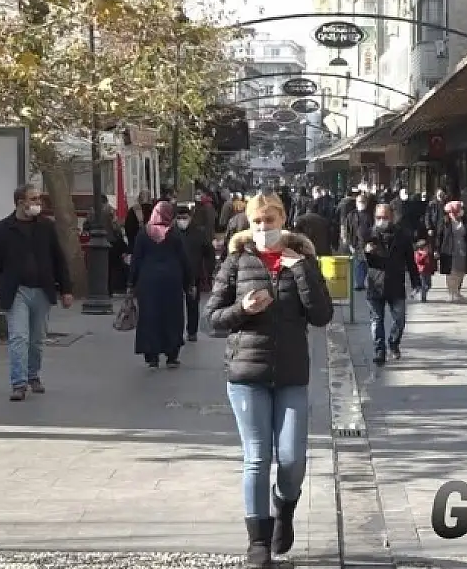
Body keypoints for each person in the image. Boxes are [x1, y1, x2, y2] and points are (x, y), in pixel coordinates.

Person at [204, 192, 334, 569]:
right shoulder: (236, 261)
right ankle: (257, 541)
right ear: (249, 222)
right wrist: (241, 311)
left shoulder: (303, 259)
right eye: (257, 221)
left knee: (292, 460)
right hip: (247, 374)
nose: (264, 228)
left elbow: (322, 316)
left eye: (270, 220)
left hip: (292, 374)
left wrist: (302, 271)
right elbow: (212, 319)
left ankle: (285, 507)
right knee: (257, 458)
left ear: (283, 219)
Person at [0, 184, 73, 401]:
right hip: (16, 291)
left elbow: (58, 259)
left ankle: (33, 375)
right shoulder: (3, 229)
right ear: (20, 202)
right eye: (33, 199)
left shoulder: (46, 226)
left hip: (42, 289)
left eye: (39, 199)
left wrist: (66, 289)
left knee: (36, 339)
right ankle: (19, 383)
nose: (38, 203)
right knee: (18, 337)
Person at [128, 201, 192, 368]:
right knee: (172, 316)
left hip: (148, 281)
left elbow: (136, 259)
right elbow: (185, 260)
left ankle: (152, 355)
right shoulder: (175, 234)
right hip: (172, 281)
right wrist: (189, 283)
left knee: (150, 316)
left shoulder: (144, 233)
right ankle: (171, 355)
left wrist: (131, 282)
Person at [361, 203, 421, 365]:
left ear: (392, 217)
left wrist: (416, 282)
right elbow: (361, 258)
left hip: (396, 283)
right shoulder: (369, 234)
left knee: (400, 320)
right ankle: (379, 350)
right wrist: (366, 252)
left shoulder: (402, 236)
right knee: (377, 319)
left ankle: (393, 343)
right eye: (378, 218)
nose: (382, 221)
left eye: (385, 217)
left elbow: (410, 261)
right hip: (375, 284)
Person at [174, 204, 215, 342]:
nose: (182, 221)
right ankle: (177, 331)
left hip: (193, 274)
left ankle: (192, 331)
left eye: (184, 218)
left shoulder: (198, 232)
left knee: (192, 304)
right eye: (179, 218)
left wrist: (208, 271)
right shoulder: (172, 232)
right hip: (176, 274)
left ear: (190, 218)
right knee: (176, 305)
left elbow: (209, 252)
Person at [436, 200, 467, 302]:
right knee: (450, 272)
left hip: (462, 250)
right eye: (459, 209)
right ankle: (451, 292)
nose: (462, 211)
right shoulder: (445, 221)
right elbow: (439, 236)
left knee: (461, 271)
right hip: (449, 250)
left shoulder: (465, 221)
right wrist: (437, 249)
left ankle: (457, 291)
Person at [345, 192, 374, 291]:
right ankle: (359, 283)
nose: (361, 203)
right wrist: (349, 244)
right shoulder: (351, 215)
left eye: (363, 202)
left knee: (367, 264)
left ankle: (367, 282)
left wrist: (372, 242)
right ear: (356, 203)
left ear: (366, 203)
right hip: (356, 243)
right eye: (359, 202)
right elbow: (348, 230)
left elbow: (373, 229)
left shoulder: (370, 215)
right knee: (358, 264)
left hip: (367, 243)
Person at [413, 238, 434, 303]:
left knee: (429, 285)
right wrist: (424, 255)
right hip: (421, 271)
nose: (427, 248)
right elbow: (418, 261)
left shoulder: (428, 253)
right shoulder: (418, 253)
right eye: (426, 247)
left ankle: (416, 291)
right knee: (423, 285)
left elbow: (430, 262)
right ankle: (423, 298)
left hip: (428, 271)